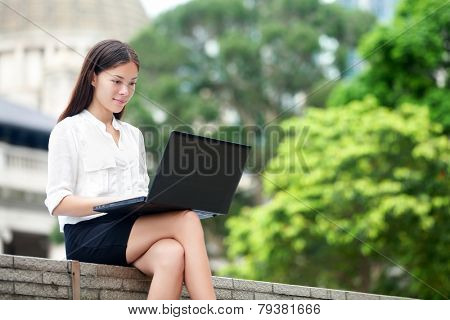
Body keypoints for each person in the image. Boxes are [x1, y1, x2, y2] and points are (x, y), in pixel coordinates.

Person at [44, 39, 216, 300]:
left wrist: (154, 203)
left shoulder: (133, 136)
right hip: (87, 236)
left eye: (132, 83)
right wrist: (113, 202)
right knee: (187, 219)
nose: (125, 90)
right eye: (117, 81)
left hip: (130, 229)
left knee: (172, 253)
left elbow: (139, 191)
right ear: (93, 77)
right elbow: (58, 202)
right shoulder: (68, 130)